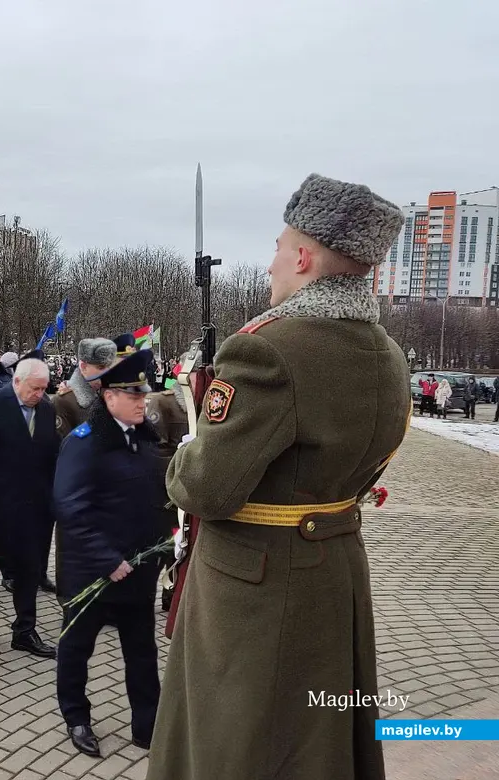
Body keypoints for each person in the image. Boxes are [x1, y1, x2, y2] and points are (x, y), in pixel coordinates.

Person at [148, 174, 411, 780]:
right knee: (319, 741)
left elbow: (207, 487)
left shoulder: (268, 349)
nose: (270, 266)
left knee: (237, 743)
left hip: (256, 584)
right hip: (336, 569)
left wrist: (189, 452)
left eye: (276, 248)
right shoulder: (386, 352)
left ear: (302, 256)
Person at [55, 349, 173, 757]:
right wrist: (107, 559)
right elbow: (70, 507)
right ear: (108, 398)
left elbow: (154, 499)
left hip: (137, 572)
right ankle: (77, 717)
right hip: (92, 572)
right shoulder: (84, 443)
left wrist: (168, 541)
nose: (144, 400)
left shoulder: (143, 440)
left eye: (144, 393)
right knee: (76, 649)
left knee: (142, 652)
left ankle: (147, 725)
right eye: (134, 395)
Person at [0, 358, 59, 659]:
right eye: (34, 388)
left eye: (44, 389)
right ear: (17, 381)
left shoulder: (46, 408)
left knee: (30, 571)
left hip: (34, 510)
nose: (39, 394)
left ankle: (25, 631)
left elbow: (50, 457)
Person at [53, 338, 118, 438]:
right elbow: (62, 446)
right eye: (101, 367)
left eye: (109, 367)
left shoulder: (108, 394)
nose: (107, 372)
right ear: (83, 367)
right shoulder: (65, 401)